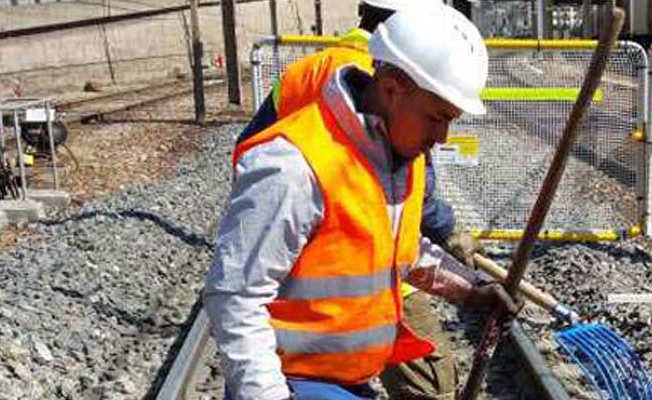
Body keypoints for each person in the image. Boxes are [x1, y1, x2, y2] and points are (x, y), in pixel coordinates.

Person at [203, 7, 518, 400]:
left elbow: (393, 249)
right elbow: (235, 295)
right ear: (390, 89)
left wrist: (470, 291)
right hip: (294, 384)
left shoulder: (396, 156)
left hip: (347, 382)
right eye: (436, 117)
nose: (443, 136)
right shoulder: (295, 165)